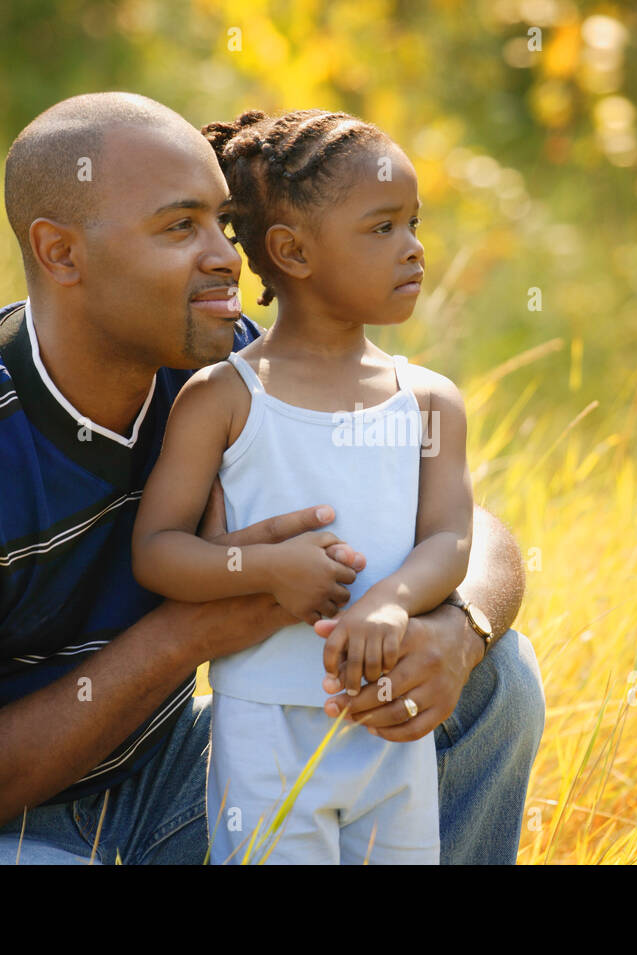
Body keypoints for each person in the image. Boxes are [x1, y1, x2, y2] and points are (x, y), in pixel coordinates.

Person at [0, 92, 545, 866]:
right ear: (61, 253)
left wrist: (459, 629)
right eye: (180, 227)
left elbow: (467, 530)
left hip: (158, 777)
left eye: (221, 219)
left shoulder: (226, 369)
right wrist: (193, 631)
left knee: (495, 678)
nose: (225, 256)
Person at [131, 108, 470, 864]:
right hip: (263, 730)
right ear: (291, 251)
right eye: (382, 228)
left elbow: (450, 537)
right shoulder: (224, 397)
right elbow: (156, 551)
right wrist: (264, 570)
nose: (414, 249)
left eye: (415, 223)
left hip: (388, 722)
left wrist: (391, 599)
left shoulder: (429, 400)